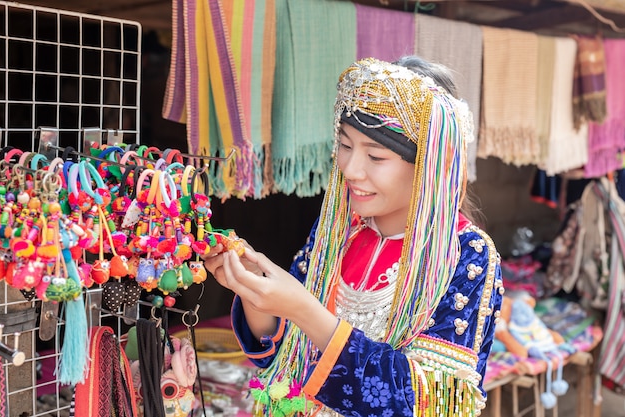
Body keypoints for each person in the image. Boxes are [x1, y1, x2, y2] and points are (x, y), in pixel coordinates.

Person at [204, 56, 503, 417]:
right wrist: (254, 291)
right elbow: (283, 357)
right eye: (345, 146)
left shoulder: (465, 254)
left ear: (430, 164)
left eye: (375, 156)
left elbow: (437, 403)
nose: (350, 168)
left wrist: (304, 309)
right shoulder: (338, 233)